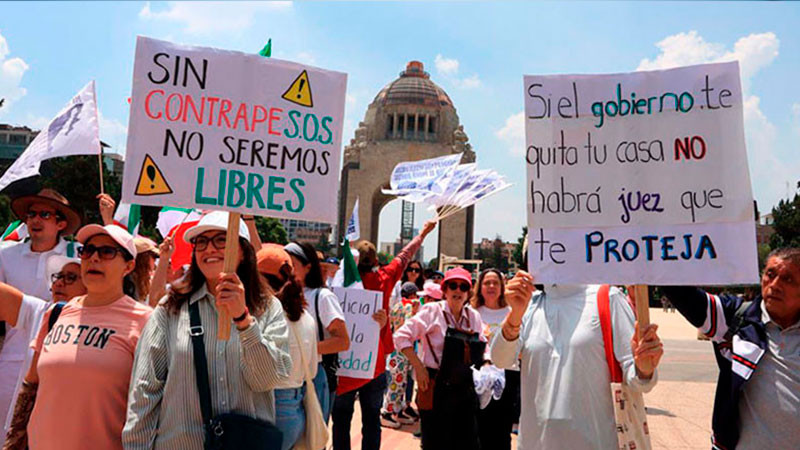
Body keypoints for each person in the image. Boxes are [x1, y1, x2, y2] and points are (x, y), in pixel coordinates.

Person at [123, 211, 292, 449]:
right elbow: (145, 388)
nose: (209, 249)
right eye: (201, 242)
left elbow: (267, 379)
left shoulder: (267, 307)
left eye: (221, 240)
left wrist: (243, 320)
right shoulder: (170, 307)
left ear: (243, 252)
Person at [6, 224, 150, 450]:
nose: (94, 258)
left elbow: (152, 406)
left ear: (129, 266)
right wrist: (13, 442)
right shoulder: (56, 314)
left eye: (107, 252)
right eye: (88, 250)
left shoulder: (146, 322)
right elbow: (30, 387)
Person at [490, 272, 664, 449]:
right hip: (535, 443)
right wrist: (514, 316)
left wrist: (644, 369)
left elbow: (637, 378)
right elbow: (500, 360)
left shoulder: (608, 298)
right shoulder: (531, 305)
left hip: (597, 442)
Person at [658, 247, 800, 449]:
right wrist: (657, 253)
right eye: (770, 274)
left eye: (788, 279)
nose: (775, 285)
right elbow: (681, 294)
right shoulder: (737, 318)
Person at [332, 220, 436, 450]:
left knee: (340, 421)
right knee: (371, 421)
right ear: (376, 262)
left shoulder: (340, 283)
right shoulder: (385, 278)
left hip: (344, 365)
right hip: (375, 364)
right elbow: (405, 255)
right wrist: (423, 233)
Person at [394, 267, 487, 450]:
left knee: (467, 443)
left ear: (468, 292)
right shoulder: (432, 311)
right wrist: (418, 367)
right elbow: (401, 336)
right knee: (436, 442)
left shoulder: (473, 316)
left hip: (465, 388)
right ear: (445, 290)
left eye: (463, 287)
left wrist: (488, 366)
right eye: (453, 286)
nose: (458, 291)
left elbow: (484, 345)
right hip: (435, 386)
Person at [0, 255, 86, 444]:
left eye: (71, 277)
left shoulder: (106, 322)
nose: (60, 283)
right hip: (30, 435)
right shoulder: (42, 311)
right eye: (58, 276)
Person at [258, 244, 318, 450]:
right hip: (294, 410)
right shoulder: (307, 318)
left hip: (264, 408)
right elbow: (312, 370)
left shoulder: (258, 317)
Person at [284, 242, 349, 425]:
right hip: (286, 376)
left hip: (312, 377)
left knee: (312, 437)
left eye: (292, 264)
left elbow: (342, 341)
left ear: (308, 267)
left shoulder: (322, 297)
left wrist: (302, 349)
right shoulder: (281, 294)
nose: (287, 270)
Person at [0, 189, 81, 301]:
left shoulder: (80, 254)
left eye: (45, 215)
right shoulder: (5, 255)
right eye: (31, 214)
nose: (35, 220)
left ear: (60, 224)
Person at [471, 268, 518, 450]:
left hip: (507, 376)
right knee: (477, 430)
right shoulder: (471, 312)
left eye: (495, 282)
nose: (491, 286)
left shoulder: (512, 312)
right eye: (486, 282)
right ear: (480, 287)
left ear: (502, 286)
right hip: (477, 377)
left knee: (501, 431)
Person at [380, 282, 421, 429]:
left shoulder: (397, 305)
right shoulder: (409, 306)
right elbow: (410, 325)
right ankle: (387, 412)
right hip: (403, 350)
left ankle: (397, 410)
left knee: (399, 382)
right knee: (397, 383)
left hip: (395, 349)